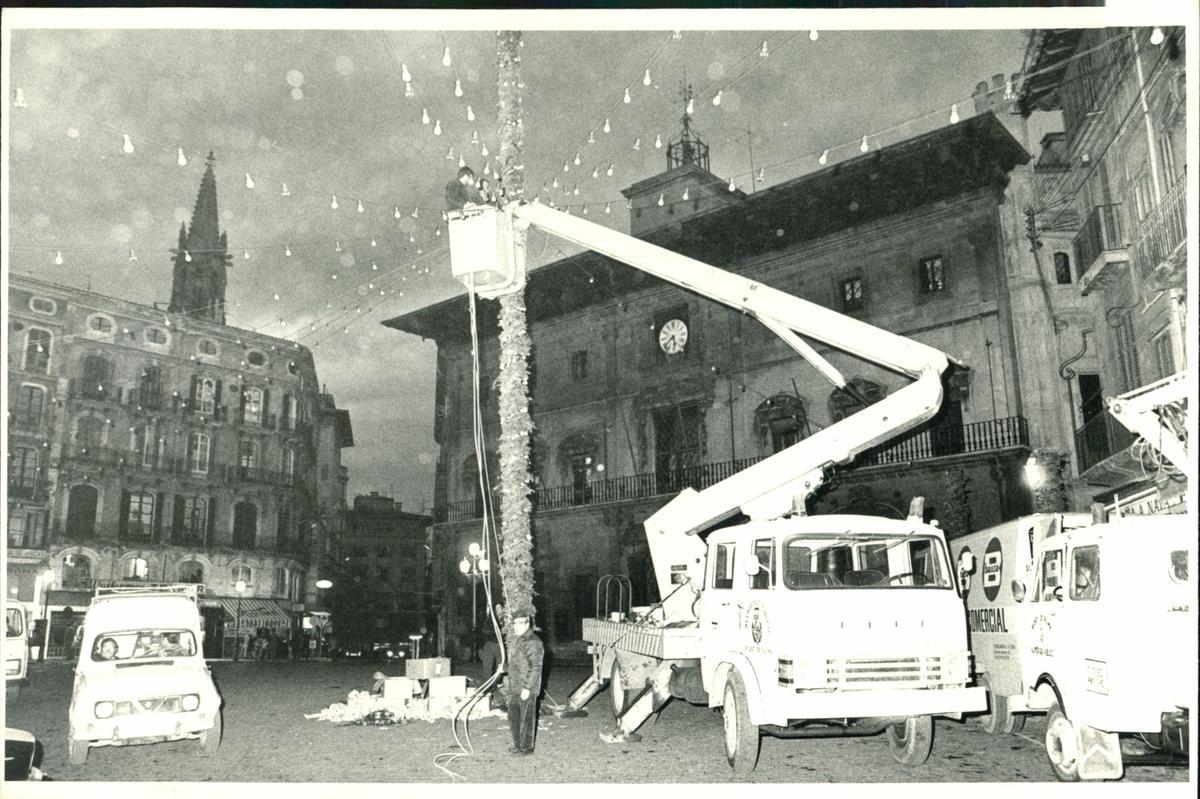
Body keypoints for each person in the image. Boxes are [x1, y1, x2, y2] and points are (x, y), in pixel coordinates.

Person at [505, 611, 544, 756]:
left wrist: (528, 688)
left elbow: (536, 666)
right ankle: (518, 745)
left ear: (527, 623)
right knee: (514, 716)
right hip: (516, 686)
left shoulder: (533, 641)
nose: (516, 626)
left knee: (526, 719)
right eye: (514, 623)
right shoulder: (519, 639)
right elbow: (517, 663)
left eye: (520, 623)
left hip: (526, 687)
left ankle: (526, 748)